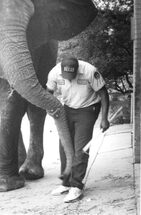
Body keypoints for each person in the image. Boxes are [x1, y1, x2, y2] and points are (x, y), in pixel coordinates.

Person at [46, 56, 110, 203]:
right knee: (64, 145)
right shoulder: (54, 73)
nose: (69, 79)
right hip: (67, 108)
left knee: (81, 147)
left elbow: (103, 94)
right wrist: (51, 109)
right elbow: (47, 94)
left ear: (78, 69)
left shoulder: (89, 71)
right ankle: (66, 183)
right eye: (66, 77)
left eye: (72, 76)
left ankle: (76, 186)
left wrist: (104, 118)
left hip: (88, 108)